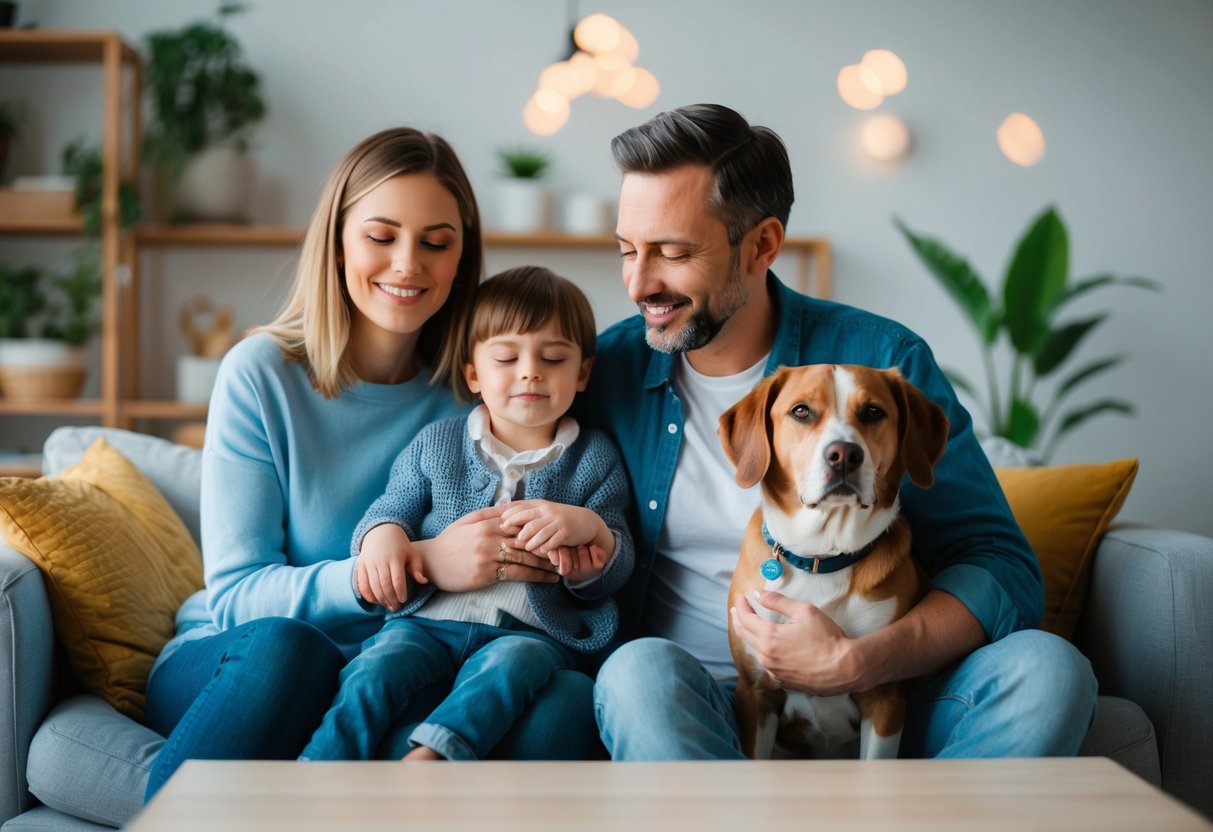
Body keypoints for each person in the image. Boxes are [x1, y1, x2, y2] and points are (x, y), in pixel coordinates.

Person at [578, 103, 1098, 760]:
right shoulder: (604, 371)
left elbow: (999, 565)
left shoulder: (885, 361)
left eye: (674, 253)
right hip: (707, 704)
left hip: (885, 696)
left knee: (1049, 669)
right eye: (627, 250)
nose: (638, 283)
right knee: (635, 672)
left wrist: (861, 663)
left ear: (762, 245)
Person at [142, 129, 598, 799]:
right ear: (337, 241)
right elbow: (237, 597)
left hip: (393, 673)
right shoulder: (261, 374)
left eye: (436, 243)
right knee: (287, 648)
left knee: (560, 698)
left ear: (460, 257)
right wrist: (412, 564)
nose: (407, 264)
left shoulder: (481, 398)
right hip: (244, 662)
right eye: (381, 237)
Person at [299, 266, 633, 762]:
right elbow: (393, 507)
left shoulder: (594, 458)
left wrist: (594, 541)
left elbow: (616, 556)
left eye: (553, 358)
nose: (530, 371)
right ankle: (321, 767)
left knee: (513, 664)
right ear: (473, 372)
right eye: (506, 357)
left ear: (582, 372)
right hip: (426, 624)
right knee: (376, 669)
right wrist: (382, 537)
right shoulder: (438, 443)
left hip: (529, 634)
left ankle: (435, 754)